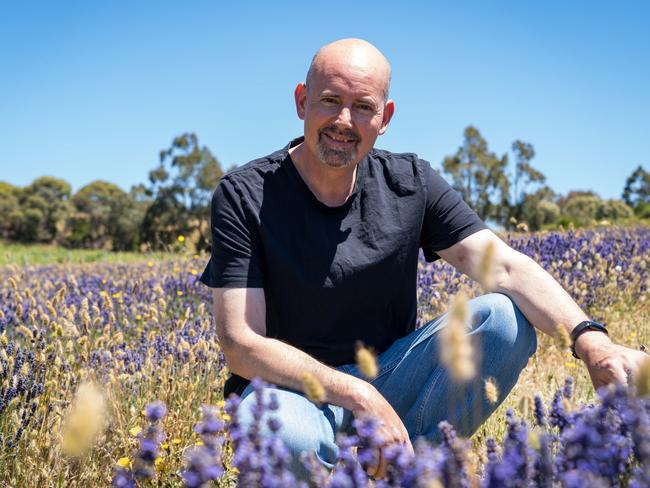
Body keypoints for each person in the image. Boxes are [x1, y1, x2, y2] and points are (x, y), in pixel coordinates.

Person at [199, 38, 647, 480]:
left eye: (362, 106)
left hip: (392, 378)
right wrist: (358, 395)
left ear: (385, 117)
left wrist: (592, 341)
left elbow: (505, 267)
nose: (342, 120)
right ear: (301, 101)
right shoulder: (245, 194)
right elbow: (241, 343)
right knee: (286, 435)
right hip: (289, 393)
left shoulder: (410, 181)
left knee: (502, 321)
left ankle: (408, 470)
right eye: (330, 100)